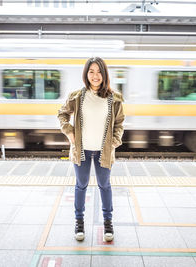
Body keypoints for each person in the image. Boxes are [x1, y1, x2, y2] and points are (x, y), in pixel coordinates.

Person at [57, 57, 125, 242]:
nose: (95, 76)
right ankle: (79, 222)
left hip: (104, 151)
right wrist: (69, 131)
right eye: (91, 71)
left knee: (105, 185)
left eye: (99, 71)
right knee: (81, 185)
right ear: (86, 74)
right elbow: (62, 114)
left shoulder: (114, 98)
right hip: (82, 151)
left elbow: (119, 123)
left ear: (104, 74)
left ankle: (108, 223)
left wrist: (114, 141)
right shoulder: (77, 96)